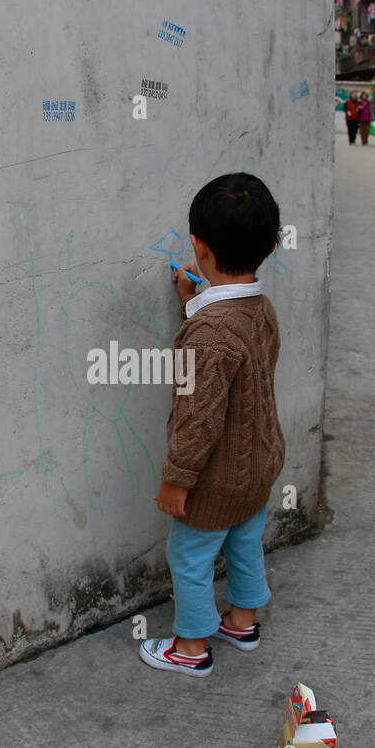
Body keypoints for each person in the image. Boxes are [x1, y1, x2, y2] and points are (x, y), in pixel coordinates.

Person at [141, 173, 287, 676]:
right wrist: (192, 302)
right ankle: (242, 621)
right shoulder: (260, 310)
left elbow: (197, 419)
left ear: (198, 246)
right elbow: (231, 358)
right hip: (260, 464)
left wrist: (176, 480)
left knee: (189, 558)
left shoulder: (207, 335)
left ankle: (191, 648)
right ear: (270, 245)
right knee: (245, 543)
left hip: (216, 477)